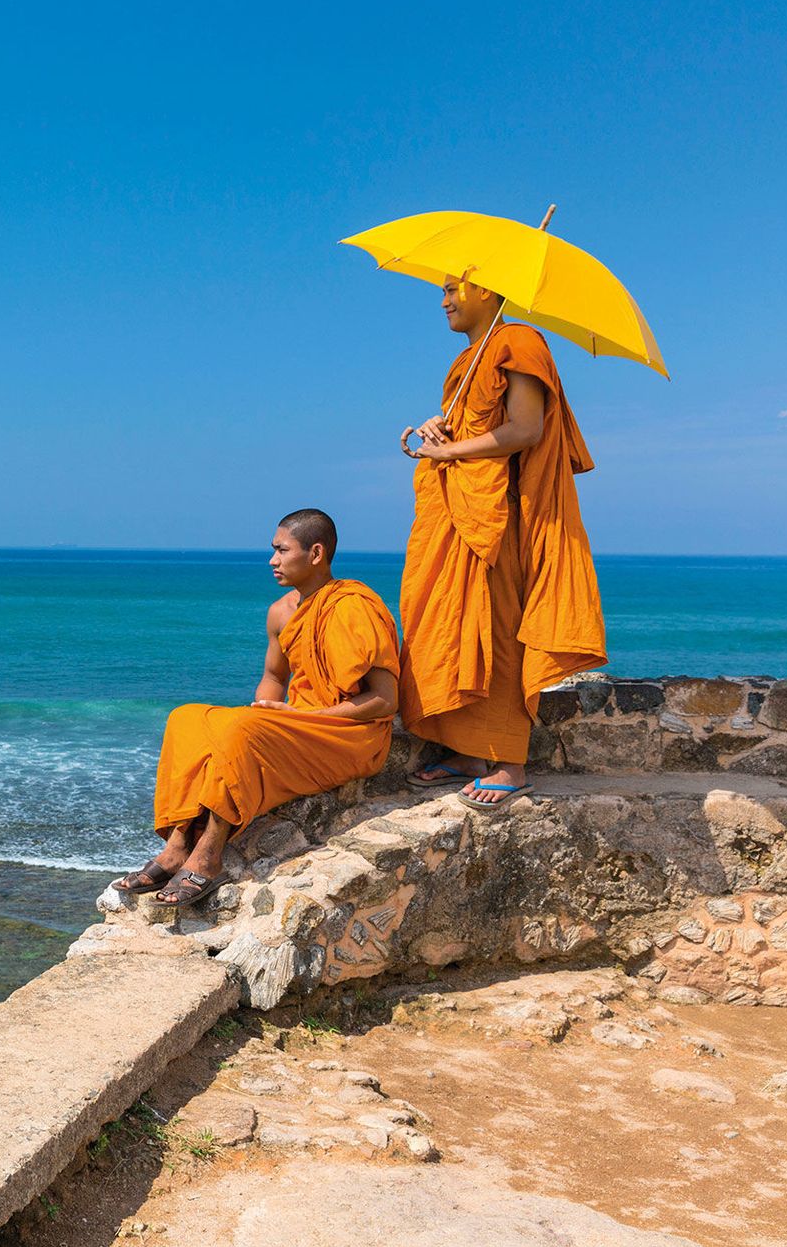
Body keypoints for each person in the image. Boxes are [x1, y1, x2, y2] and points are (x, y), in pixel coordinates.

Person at [113, 509, 400, 904]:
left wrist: (302, 718)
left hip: (349, 735)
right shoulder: (281, 612)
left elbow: (385, 701)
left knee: (240, 730)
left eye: (282, 550)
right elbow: (275, 678)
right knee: (185, 719)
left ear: (315, 553)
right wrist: (266, 708)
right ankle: (179, 840)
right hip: (298, 725)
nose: (272, 560)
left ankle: (209, 855)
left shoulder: (355, 606)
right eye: (273, 550)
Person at [401, 275, 606, 811]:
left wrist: (449, 454)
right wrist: (439, 430)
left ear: (489, 292)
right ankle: (470, 751)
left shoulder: (519, 342)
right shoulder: (468, 360)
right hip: (458, 515)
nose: (443, 300)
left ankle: (509, 763)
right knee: (450, 626)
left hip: (499, 518)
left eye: (453, 289)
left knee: (498, 631)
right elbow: (477, 429)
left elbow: (525, 430)